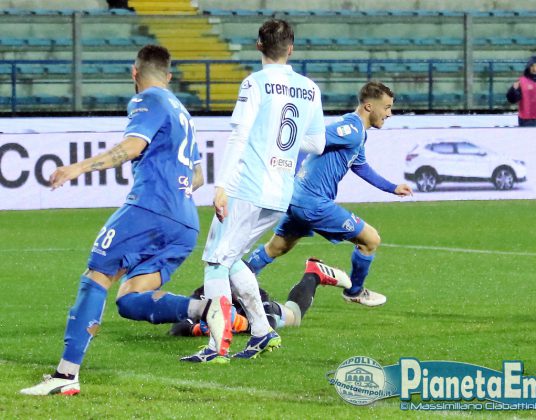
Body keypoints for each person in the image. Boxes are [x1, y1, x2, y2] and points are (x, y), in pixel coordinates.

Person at [20, 45, 206, 396]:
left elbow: (132, 147)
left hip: (150, 209)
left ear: (134, 73)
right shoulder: (182, 111)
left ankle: (65, 376)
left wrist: (77, 168)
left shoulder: (147, 99)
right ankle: (207, 310)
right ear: (169, 76)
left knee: (97, 275)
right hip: (185, 221)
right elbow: (198, 176)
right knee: (130, 299)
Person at [180, 19, 326, 364]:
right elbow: (317, 144)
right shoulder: (310, 88)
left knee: (215, 260)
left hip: (247, 186)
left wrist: (222, 185)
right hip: (280, 191)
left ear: (259, 45)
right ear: (291, 48)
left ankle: (217, 346)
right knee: (231, 260)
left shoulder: (255, 83)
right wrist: (281, 146)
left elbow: (240, 135)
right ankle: (262, 331)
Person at [246, 81, 413, 307]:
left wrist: (392, 187)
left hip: (297, 198)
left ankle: (238, 279)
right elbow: (315, 138)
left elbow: (360, 166)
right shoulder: (352, 130)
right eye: (387, 107)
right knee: (370, 240)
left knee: (277, 247)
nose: (389, 114)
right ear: (369, 106)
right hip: (313, 202)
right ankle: (354, 291)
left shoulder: (356, 132)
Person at [169, 258, 351, 337]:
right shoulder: (205, 294)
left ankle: (313, 274)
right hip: (243, 316)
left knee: (294, 316)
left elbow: (268, 325)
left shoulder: (255, 294)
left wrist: (241, 324)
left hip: (269, 313)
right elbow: (177, 327)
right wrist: (197, 330)